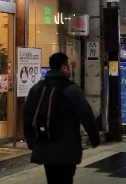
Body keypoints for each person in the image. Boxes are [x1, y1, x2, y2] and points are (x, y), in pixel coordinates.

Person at [23, 52, 100, 184]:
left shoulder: (36, 88)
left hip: (44, 146)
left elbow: (27, 117)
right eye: (69, 65)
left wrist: (31, 141)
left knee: (52, 180)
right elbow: (87, 116)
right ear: (64, 68)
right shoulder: (72, 90)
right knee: (65, 180)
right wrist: (95, 139)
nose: (71, 68)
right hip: (66, 150)